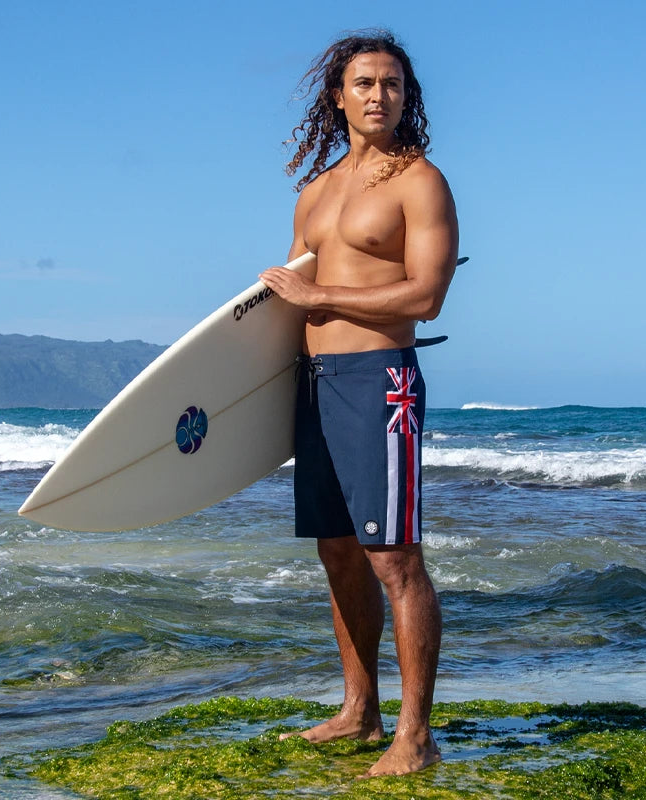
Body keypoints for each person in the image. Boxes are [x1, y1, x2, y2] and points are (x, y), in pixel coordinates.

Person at [259, 29, 458, 777]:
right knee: (337, 550)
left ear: (408, 97)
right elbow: (287, 305)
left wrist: (319, 295)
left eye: (394, 84)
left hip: (381, 379)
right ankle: (359, 710)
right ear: (338, 96)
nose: (380, 96)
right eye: (366, 83)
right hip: (316, 386)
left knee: (394, 559)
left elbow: (427, 295)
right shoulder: (315, 192)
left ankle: (416, 734)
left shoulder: (420, 182)